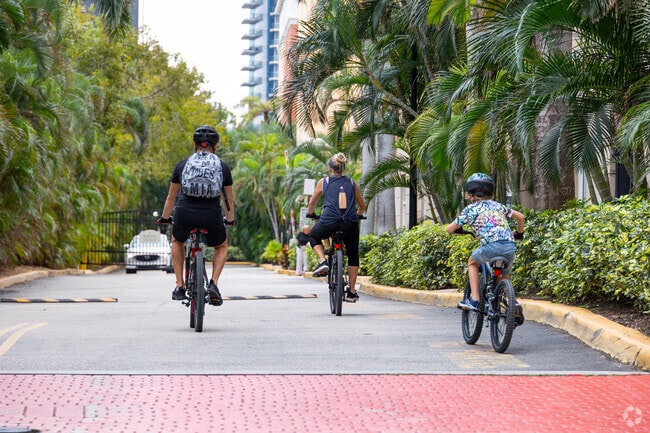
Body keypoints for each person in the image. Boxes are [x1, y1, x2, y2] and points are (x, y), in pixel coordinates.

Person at [158, 125, 235, 306]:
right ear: (215, 147)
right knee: (221, 246)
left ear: (195, 145)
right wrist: (230, 220)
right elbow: (228, 199)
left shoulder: (183, 165)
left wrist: (165, 217)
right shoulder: (222, 167)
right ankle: (214, 283)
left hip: (185, 213)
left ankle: (179, 286)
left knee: (177, 241)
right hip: (212, 215)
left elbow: (171, 197)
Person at [445, 173, 524, 311]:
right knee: (504, 275)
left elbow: (449, 229)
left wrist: (460, 231)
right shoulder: (499, 207)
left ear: (469, 195)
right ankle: (511, 303)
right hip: (509, 246)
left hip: (490, 247)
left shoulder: (470, 209)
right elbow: (521, 217)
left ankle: (475, 299)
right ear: (490, 194)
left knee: (472, 262)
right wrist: (519, 233)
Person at [307, 152, 366, 302]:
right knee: (353, 254)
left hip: (328, 222)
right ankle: (352, 292)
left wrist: (311, 214)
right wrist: (358, 215)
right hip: (349, 223)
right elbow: (362, 205)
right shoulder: (352, 183)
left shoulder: (324, 182)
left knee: (313, 236)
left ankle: (323, 261)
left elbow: (311, 203)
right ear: (343, 168)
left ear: (329, 168)